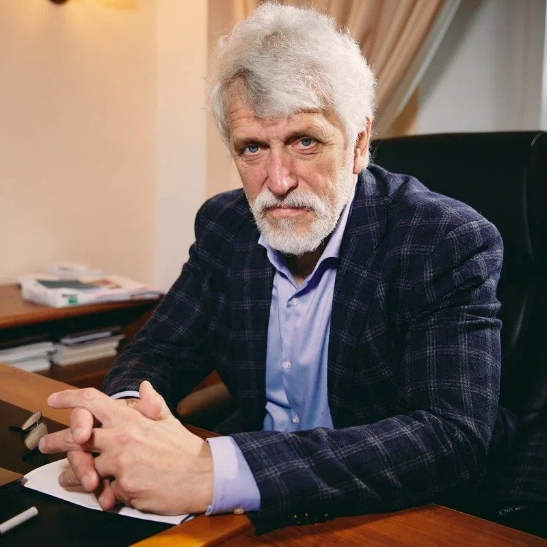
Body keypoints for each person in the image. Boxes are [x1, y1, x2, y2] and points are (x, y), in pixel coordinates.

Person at [39, 2, 504, 533]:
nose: (278, 181)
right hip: (244, 515)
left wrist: (214, 472)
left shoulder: (442, 239)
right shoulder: (225, 224)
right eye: (253, 148)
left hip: (384, 514)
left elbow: (451, 436)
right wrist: (120, 421)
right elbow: (162, 348)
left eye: (305, 142)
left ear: (358, 144)